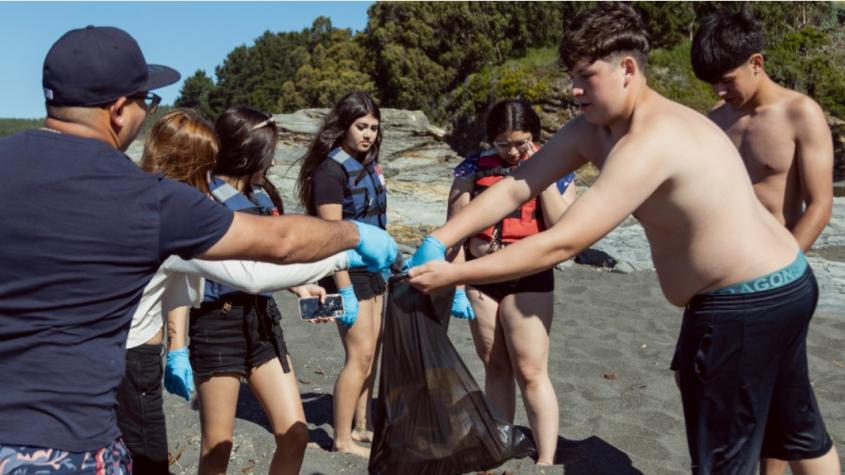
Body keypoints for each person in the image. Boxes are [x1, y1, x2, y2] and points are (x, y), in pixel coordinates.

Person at [405, 4, 840, 474]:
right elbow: (518, 183)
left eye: (586, 77)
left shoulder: (651, 140)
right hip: (784, 285)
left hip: (742, 305)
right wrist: (441, 237)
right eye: (571, 75)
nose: (574, 89)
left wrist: (457, 272)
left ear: (627, 69)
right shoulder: (593, 131)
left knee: (726, 462)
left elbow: (563, 242)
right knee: (799, 435)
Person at [0, 26, 396, 474]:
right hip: (68, 444)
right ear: (116, 111)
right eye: (145, 102)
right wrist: (352, 238)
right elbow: (273, 249)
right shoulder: (147, 198)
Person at [117, 109, 355, 474]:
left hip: (260, 321)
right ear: (247, 152)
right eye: (268, 151)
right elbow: (182, 279)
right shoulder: (198, 199)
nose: (274, 159)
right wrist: (178, 348)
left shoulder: (262, 194)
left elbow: (262, 267)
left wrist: (302, 287)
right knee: (218, 445)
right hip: (216, 325)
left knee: (294, 433)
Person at [691, 12, 836, 475]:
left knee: (767, 395)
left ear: (757, 62)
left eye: (727, 80)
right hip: (721, 285)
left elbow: (818, 204)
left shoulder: (800, 113)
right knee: (760, 394)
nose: (719, 91)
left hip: (777, 279)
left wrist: (783, 268)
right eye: (712, 83)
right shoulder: (714, 123)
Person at [447, 99, 576, 464]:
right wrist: (457, 284)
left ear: (534, 137)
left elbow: (563, 225)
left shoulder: (557, 167)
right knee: (495, 365)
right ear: (492, 140)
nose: (513, 151)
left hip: (529, 278)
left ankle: (546, 459)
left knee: (531, 369)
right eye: (504, 144)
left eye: (521, 142)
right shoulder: (472, 168)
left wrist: (542, 169)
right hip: (482, 277)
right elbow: (454, 231)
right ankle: (500, 442)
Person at [296, 91, 387, 458]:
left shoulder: (368, 163)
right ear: (344, 126)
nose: (368, 135)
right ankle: (343, 438)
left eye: (374, 129)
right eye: (361, 127)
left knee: (373, 352)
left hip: (374, 270)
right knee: (359, 354)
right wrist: (345, 291)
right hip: (347, 274)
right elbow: (333, 239)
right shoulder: (330, 172)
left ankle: (363, 425)